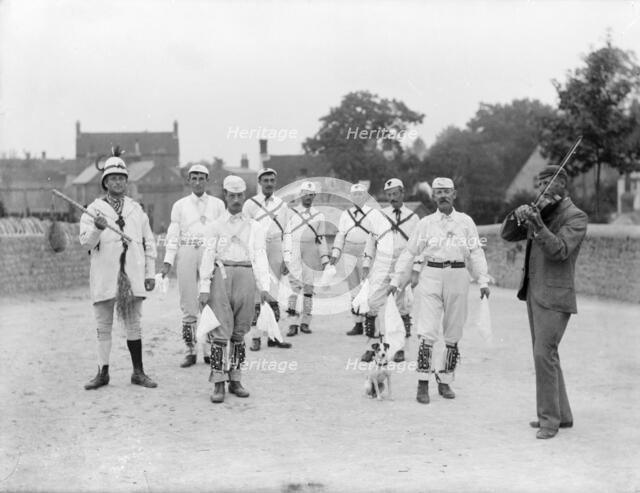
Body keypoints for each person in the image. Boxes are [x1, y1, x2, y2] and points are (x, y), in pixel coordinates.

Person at [500, 165, 587, 439]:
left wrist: (538, 225)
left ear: (562, 184)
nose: (541, 190)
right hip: (534, 292)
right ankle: (564, 415)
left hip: (556, 295)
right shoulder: (542, 211)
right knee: (547, 354)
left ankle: (549, 420)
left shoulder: (575, 217)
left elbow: (559, 251)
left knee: (543, 354)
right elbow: (507, 234)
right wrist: (518, 215)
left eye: (547, 184)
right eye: (539, 185)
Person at [391, 177, 490, 404]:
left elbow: (475, 252)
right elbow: (409, 252)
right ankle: (422, 382)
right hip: (431, 276)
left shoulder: (465, 222)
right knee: (427, 331)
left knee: (453, 333)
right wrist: (397, 279)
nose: (443, 196)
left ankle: (445, 380)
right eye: (439, 192)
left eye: (447, 192)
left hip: (458, 276)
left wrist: (483, 280)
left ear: (454, 195)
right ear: (433, 196)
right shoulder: (425, 223)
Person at [80, 150, 158, 390]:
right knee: (103, 325)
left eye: (121, 178)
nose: (117, 182)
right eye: (112, 178)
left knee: (134, 324)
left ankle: (138, 372)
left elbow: (148, 242)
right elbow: (86, 243)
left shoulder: (136, 209)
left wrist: (149, 273)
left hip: (131, 275)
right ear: (105, 182)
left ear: (127, 181)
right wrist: (96, 228)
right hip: (105, 275)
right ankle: (102, 373)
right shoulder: (94, 210)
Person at [198, 175, 271, 403]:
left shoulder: (255, 227)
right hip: (221, 275)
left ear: (244, 196)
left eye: (240, 195)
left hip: (246, 276)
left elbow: (260, 256)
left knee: (240, 332)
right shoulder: (214, 226)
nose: (236, 200)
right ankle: (218, 382)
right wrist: (204, 286)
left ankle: (236, 379)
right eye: (232, 195)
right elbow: (208, 255)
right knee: (220, 331)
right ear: (225, 196)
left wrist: (264, 287)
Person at [161, 164, 225, 368]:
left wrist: (222, 257)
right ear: (189, 181)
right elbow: (173, 235)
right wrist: (167, 262)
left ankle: (208, 349)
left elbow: (224, 233)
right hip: (187, 251)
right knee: (188, 304)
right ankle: (190, 350)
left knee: (210, 302)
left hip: (209, 252)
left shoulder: (217, 204)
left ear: (207, 180)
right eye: (194, 178)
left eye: (201, 178)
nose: (197, 182)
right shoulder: (180, 205)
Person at [361, 178, 420, 363]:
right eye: (389, 195)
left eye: (395, 194)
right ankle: (372, 347)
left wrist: (416, 270)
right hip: (382, 264)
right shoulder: (379, 216)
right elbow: (371, 241)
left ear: (403, 193)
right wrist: (365, 264)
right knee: (371, 304)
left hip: (403, 266)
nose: (392, 198)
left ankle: (400, 348)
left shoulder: (413, 218)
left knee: (402, 307)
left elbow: (419, 246)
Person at [243, 168, 292, 350]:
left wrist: (287, 257)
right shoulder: (250, 204)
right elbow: (245, 231)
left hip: (275, 247)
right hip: (257, 248)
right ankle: (255, 337)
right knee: (258, 293)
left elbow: (287, 231)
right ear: (259, 182)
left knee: (274, 293)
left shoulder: (282, 205)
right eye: (266, 180)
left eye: (272, 180)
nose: (269, 183)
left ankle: (274, 336)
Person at [283, 181, 330, 336]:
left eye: (311, 195)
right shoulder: (290, 213)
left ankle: (305, 322)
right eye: (305, 194)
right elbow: (285, 236)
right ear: (300, 195)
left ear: (314, 196)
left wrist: (324, 258)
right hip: (294, 248)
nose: (307, 198)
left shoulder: (319, 215)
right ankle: (292, 323)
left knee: (308, 287)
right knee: (294, 287)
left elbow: (321, 238)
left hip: (311, 249)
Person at [329, 183, 375, 336]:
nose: (357, 197)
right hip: (348, 251)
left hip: (365, 251)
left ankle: (370, 322)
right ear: (351, 197)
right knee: (353, 288)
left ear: (365, 196)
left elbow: (376, 236)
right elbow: (340, 234)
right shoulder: (345, 214)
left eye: (360, 194)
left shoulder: (373, 214)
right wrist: (335, 253)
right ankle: (357, 323)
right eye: (354, 194)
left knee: (368, 287)